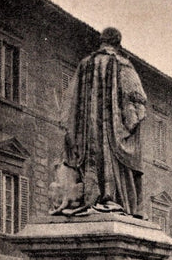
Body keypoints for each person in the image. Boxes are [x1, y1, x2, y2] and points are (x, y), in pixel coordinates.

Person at [56, 27, 148, 217]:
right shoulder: (123, 65)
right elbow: (137, 98)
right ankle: (111, 197)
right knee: (120, 162)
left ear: (102, 41)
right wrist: (130, 124)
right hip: (112, 135)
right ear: (118, 43)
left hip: (86, 135)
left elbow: (69, 100)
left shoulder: (84, 64)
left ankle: (90, 196)